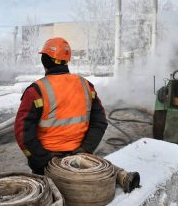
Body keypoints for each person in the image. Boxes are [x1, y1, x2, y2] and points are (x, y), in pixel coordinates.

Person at [14, 37, 108, 175]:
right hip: (78, 162)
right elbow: (100, 122)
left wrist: (42, 160)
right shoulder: (86, 86)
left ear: (44, 61)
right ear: (66, 61)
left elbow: (22, 132)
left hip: (46, 166)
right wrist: (85, 150)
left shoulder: (36, 91)